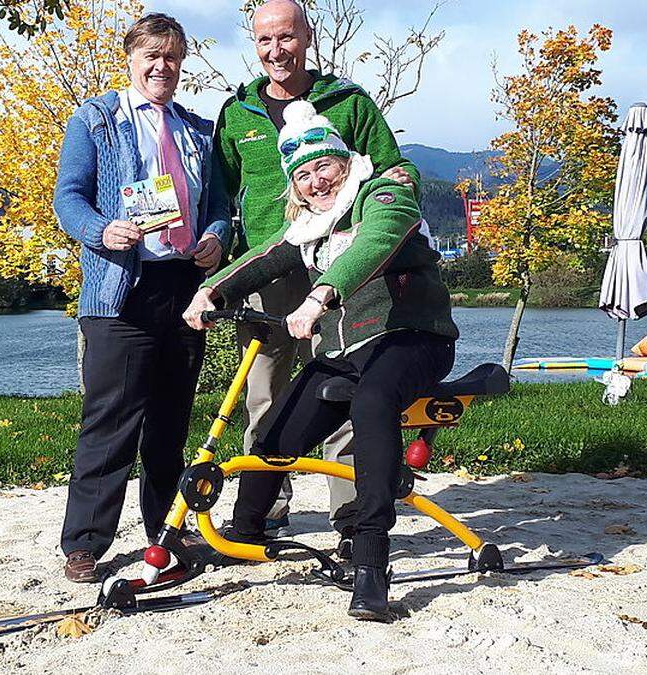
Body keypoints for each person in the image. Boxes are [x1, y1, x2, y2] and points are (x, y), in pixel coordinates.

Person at [184, 101, 457, 620]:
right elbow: (262, 259)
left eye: (323, 167)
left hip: (411, 336)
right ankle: (246, 528)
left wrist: (320, 296)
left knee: (373, 404)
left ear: (346, 162)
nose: (315, 182)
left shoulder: (384, 194)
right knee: (275, 432)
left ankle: (372, 556)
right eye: (303, 175)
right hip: (345, 350)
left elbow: (375, 243)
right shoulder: (311, 225)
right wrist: (209, 293)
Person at [213, 0, 420, 549]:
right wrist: (220, 260)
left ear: (307, 37)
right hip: (272, 266)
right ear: (254, 45)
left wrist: (406, 178)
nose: (275, 51)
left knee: (346, 383)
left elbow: (390, 164)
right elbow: (221, 190)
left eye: (286, 38)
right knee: (265, 393)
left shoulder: (348, 101)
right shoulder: (237, 113)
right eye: (264, 41)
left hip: (345, 265)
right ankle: (265, 509)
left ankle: (350, 514)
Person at [53, 13, 231, 583]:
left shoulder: (199, 130)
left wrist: (216, 239)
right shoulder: (95, 119)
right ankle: (85, 543)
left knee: (172, 421)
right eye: (152, 55)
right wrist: (100, 231)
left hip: (182, 289)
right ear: (130, 58)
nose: (163, 66)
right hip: (119, 290)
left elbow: (221, 208)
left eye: (173, 57)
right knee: (110, 420)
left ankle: (167, 530)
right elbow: (69, 197)